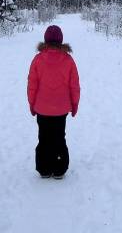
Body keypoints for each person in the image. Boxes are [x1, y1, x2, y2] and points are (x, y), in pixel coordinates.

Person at [27, 24, 80, 179]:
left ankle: (44, 169)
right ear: (60, 40)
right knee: (58, 137)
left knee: (43, 137)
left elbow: (32, 85)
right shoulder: (68, 60)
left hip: (42, 109)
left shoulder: (37, 59)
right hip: (61, 109)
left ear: (46, 40)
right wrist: (74, 104)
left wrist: (32, 104)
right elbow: (74, 86)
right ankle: (59, 168)